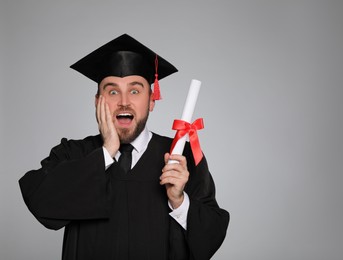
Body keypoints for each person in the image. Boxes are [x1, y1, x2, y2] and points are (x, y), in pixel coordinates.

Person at [19, 34, 229, 260]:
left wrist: (179, 201)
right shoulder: (73, 154)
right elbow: (41, 202)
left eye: (135, 91)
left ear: (151, 101)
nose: (124, 101)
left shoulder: (181, 158)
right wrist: (107, 151)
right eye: (112, 91)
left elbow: (212, 233)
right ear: (97, 101)